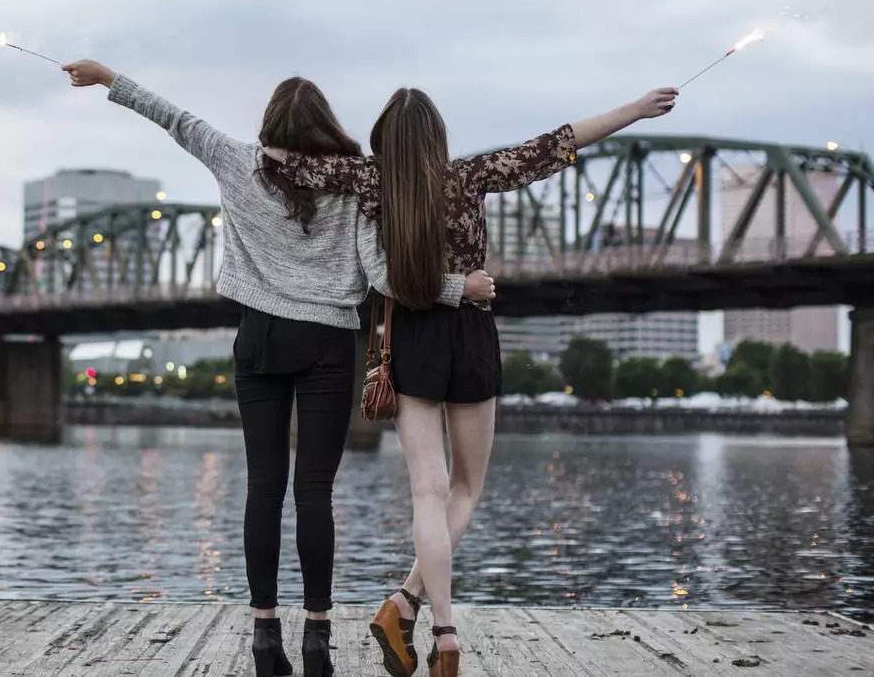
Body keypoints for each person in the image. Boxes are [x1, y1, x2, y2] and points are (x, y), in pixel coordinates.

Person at [60, 58, 495, 677]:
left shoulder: (237, 160)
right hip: (328, 344)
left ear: (268, 123)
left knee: (263, 487)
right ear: (326, 128)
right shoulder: (351, 183)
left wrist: (108, 78)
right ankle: (318, 634)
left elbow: (171, 116)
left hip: (259, 338)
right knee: (315, 491)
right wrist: (456, 289)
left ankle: (266, 635)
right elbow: (381, 278)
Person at [264, 84, 678, 677]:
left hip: (413, 339)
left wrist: (264, 149)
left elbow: (285, 161)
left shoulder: (368, 182)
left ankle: (432, 622)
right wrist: (634, 111)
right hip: (472, 335)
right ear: (436, 137)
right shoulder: (469, 175)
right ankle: (423, 617)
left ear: (385, 140)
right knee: (465, 490)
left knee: (426, 493)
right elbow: (554, 144)